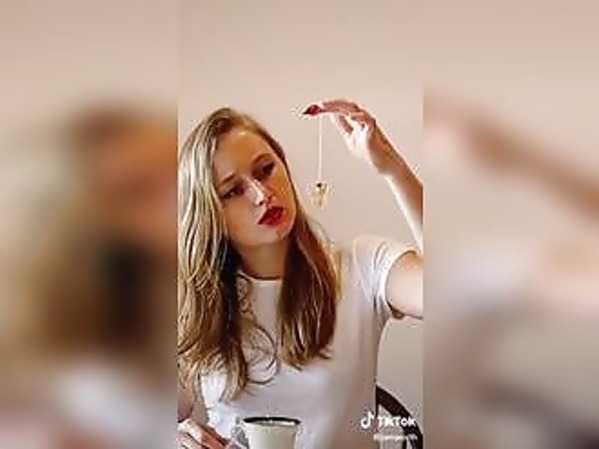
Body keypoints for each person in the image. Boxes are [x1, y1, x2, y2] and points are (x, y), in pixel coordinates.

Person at [177, 99, 423, 449]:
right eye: (233, 191)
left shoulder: (363, 266)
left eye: (266, 169)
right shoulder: (195, 301)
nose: (262, 195)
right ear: (210, 214)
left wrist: (392, 168)